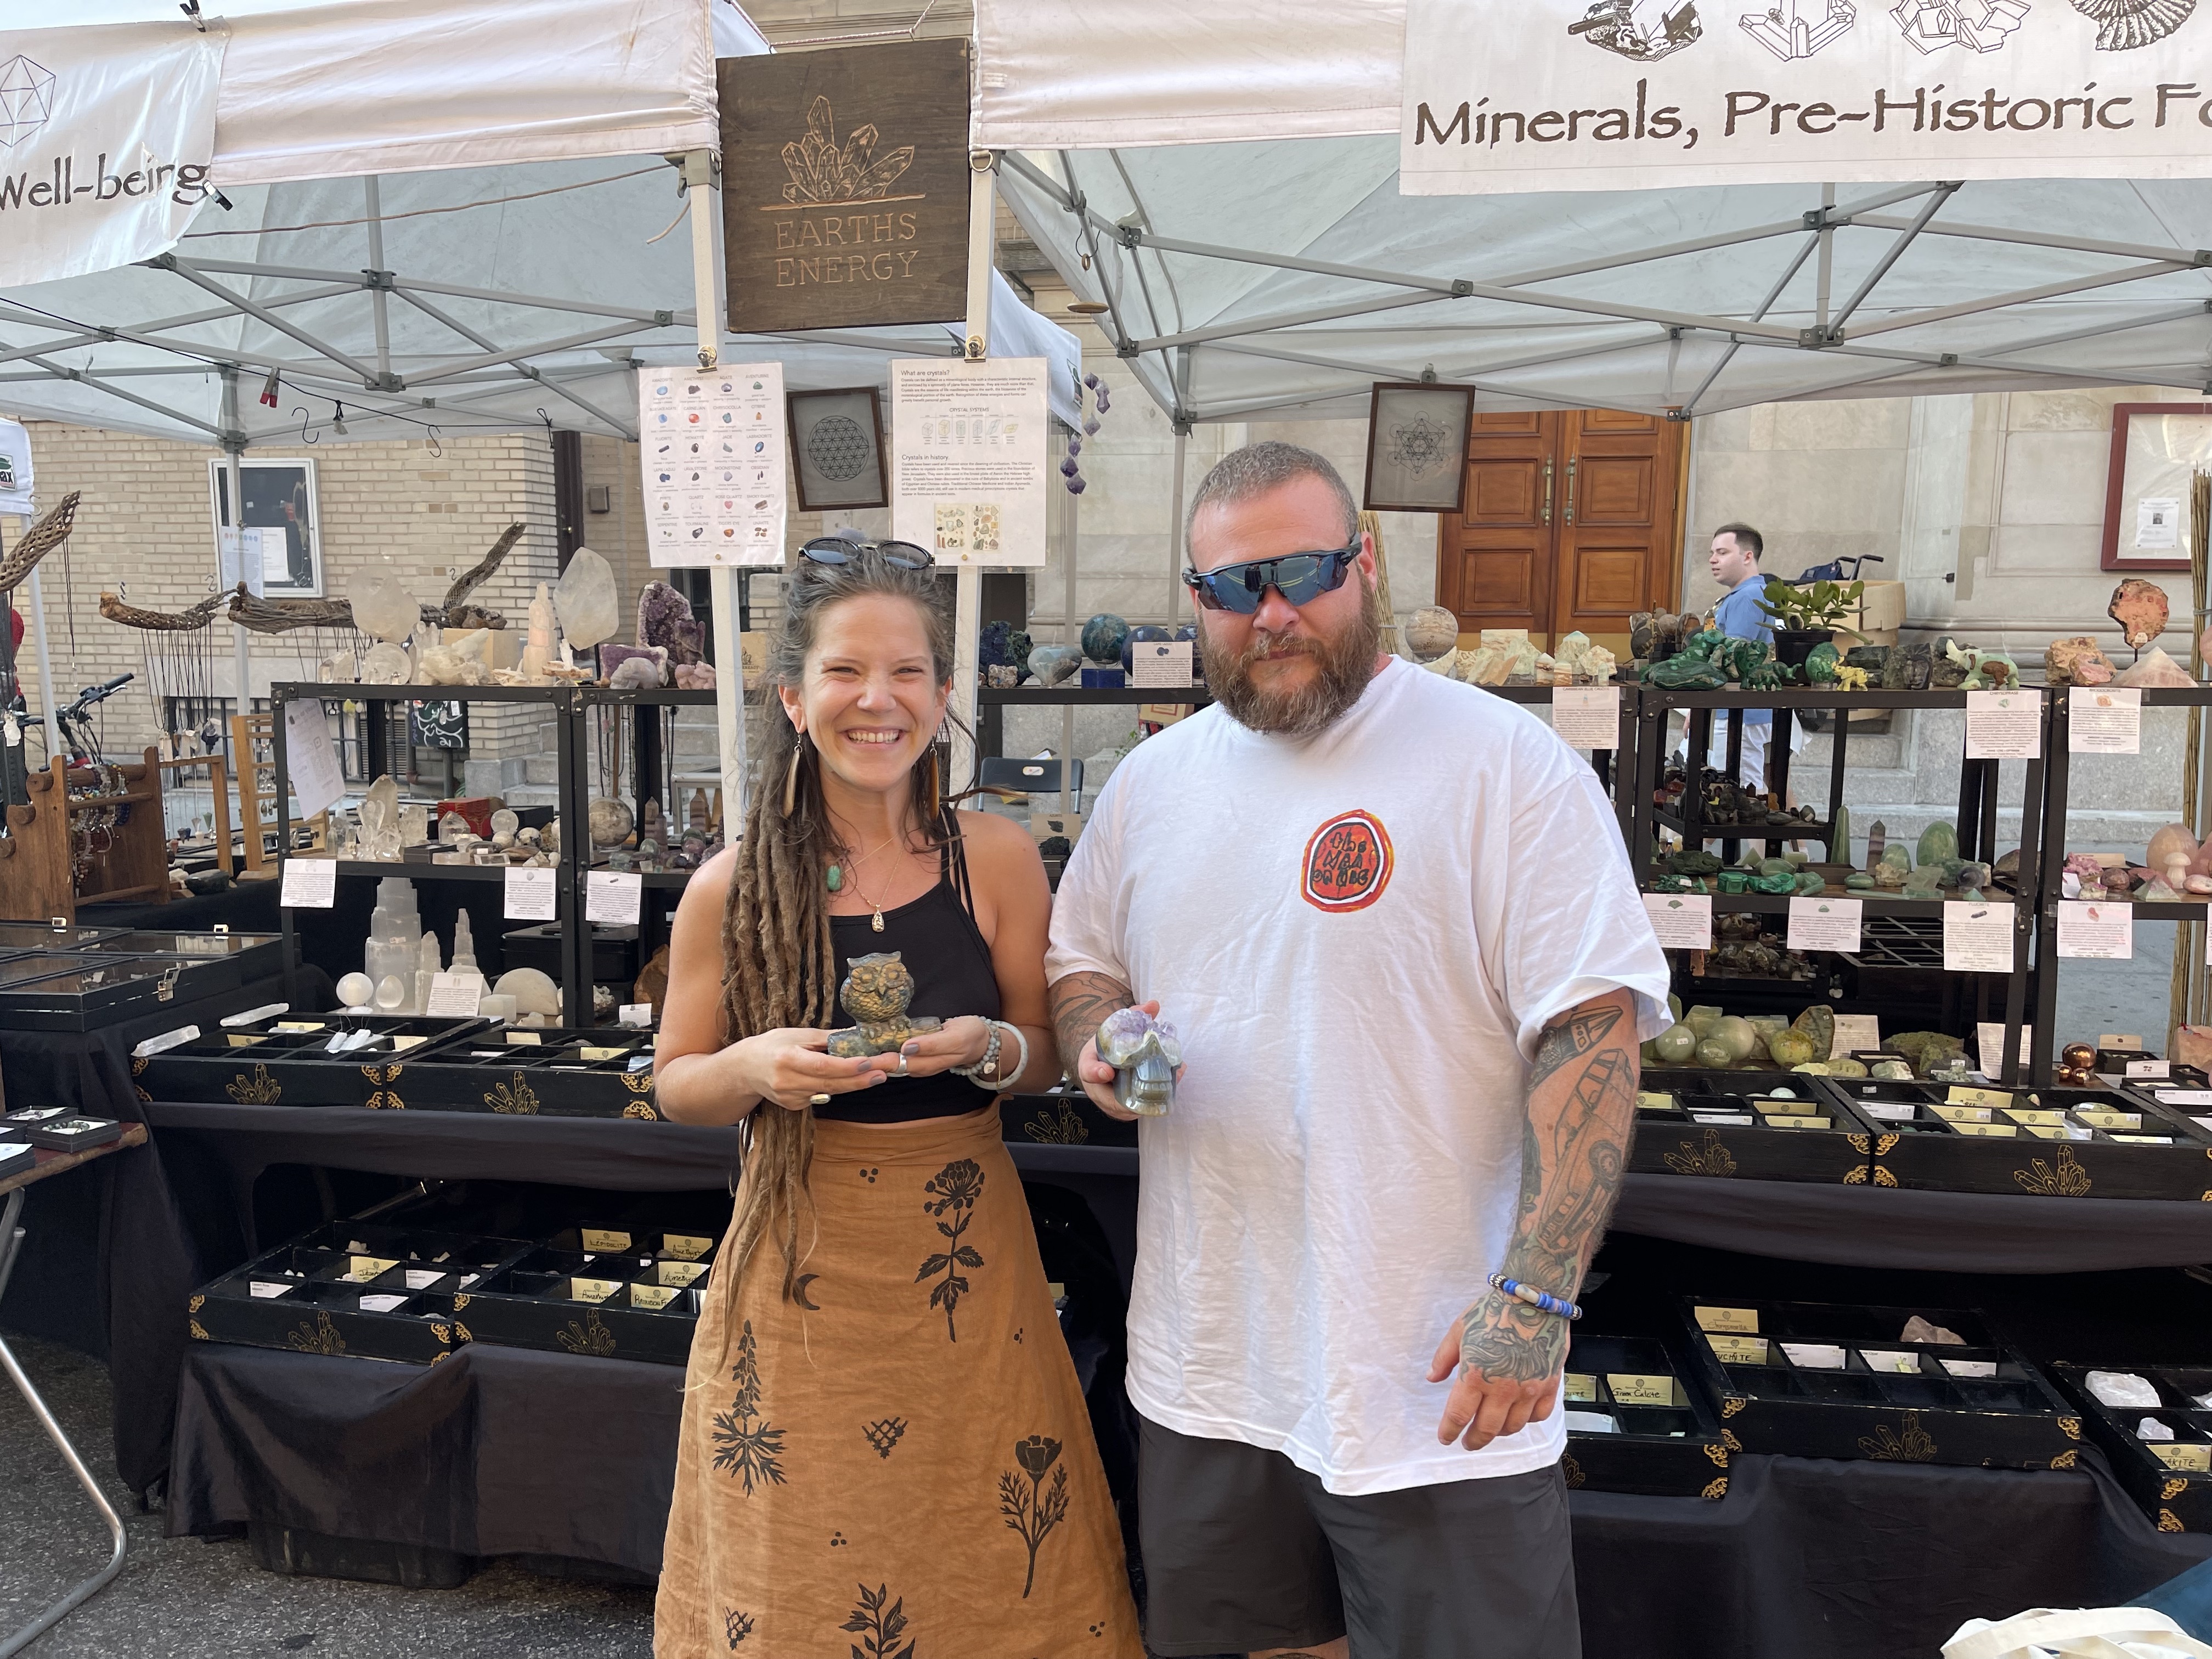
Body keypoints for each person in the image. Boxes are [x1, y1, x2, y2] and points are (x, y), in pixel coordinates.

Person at [1045, 442, 1671, 1659]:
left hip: (1431, 1376)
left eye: (1302, 574)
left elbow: (1588, 1032)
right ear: (1197, 599)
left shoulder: (1504, 766)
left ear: (1365, 564)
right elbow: (1084, 961)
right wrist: (1097, 1036)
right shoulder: (1152, 783)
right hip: (1210, 1364)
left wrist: (1536, 1296)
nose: (1270, 613)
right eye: (1234, 587)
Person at [652, 540, 1143, 1658]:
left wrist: (986, 1049)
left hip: (964, 1264)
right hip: (797, 1263)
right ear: (794, 696)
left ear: (943, 693)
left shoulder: (997, 857)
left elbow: (1044, 1053)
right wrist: (754, 1069)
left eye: (907, 672)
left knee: (981, 1530)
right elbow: (677, 1082)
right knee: (798, 1552)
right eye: (844, 671)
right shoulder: (731, 885)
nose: (877, 699)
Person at [1702, 522, 1786, 790]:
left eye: (1723, 552)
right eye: (1713, 553)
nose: (1713, 559)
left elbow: (1730, 660)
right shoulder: (1753, 593)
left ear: (1748, 556)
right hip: (1746, 711)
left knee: (1738, 795)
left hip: (1741, 714)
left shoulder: (1747, 597)